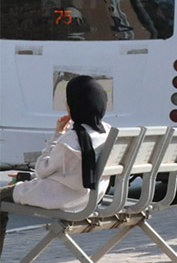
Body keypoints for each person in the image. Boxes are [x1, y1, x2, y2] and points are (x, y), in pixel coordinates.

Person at [0, 76, 111, 257]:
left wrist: (57, 135)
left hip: (62, 199)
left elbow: (41, 170)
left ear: (72, 105)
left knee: (1, 198)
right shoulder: (106, 132)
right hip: (90, 198)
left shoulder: (72, 138)